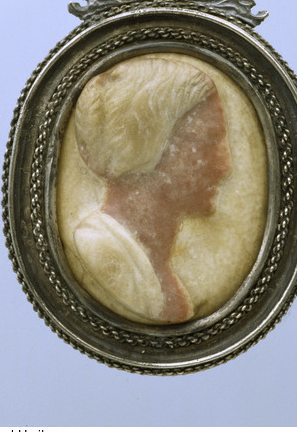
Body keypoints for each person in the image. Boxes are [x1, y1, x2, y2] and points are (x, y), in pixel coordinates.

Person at [73, 56, 232, 324]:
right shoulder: (100, 254)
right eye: (207, 143)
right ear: (147, 146)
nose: (225, 167)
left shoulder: (154, 270)